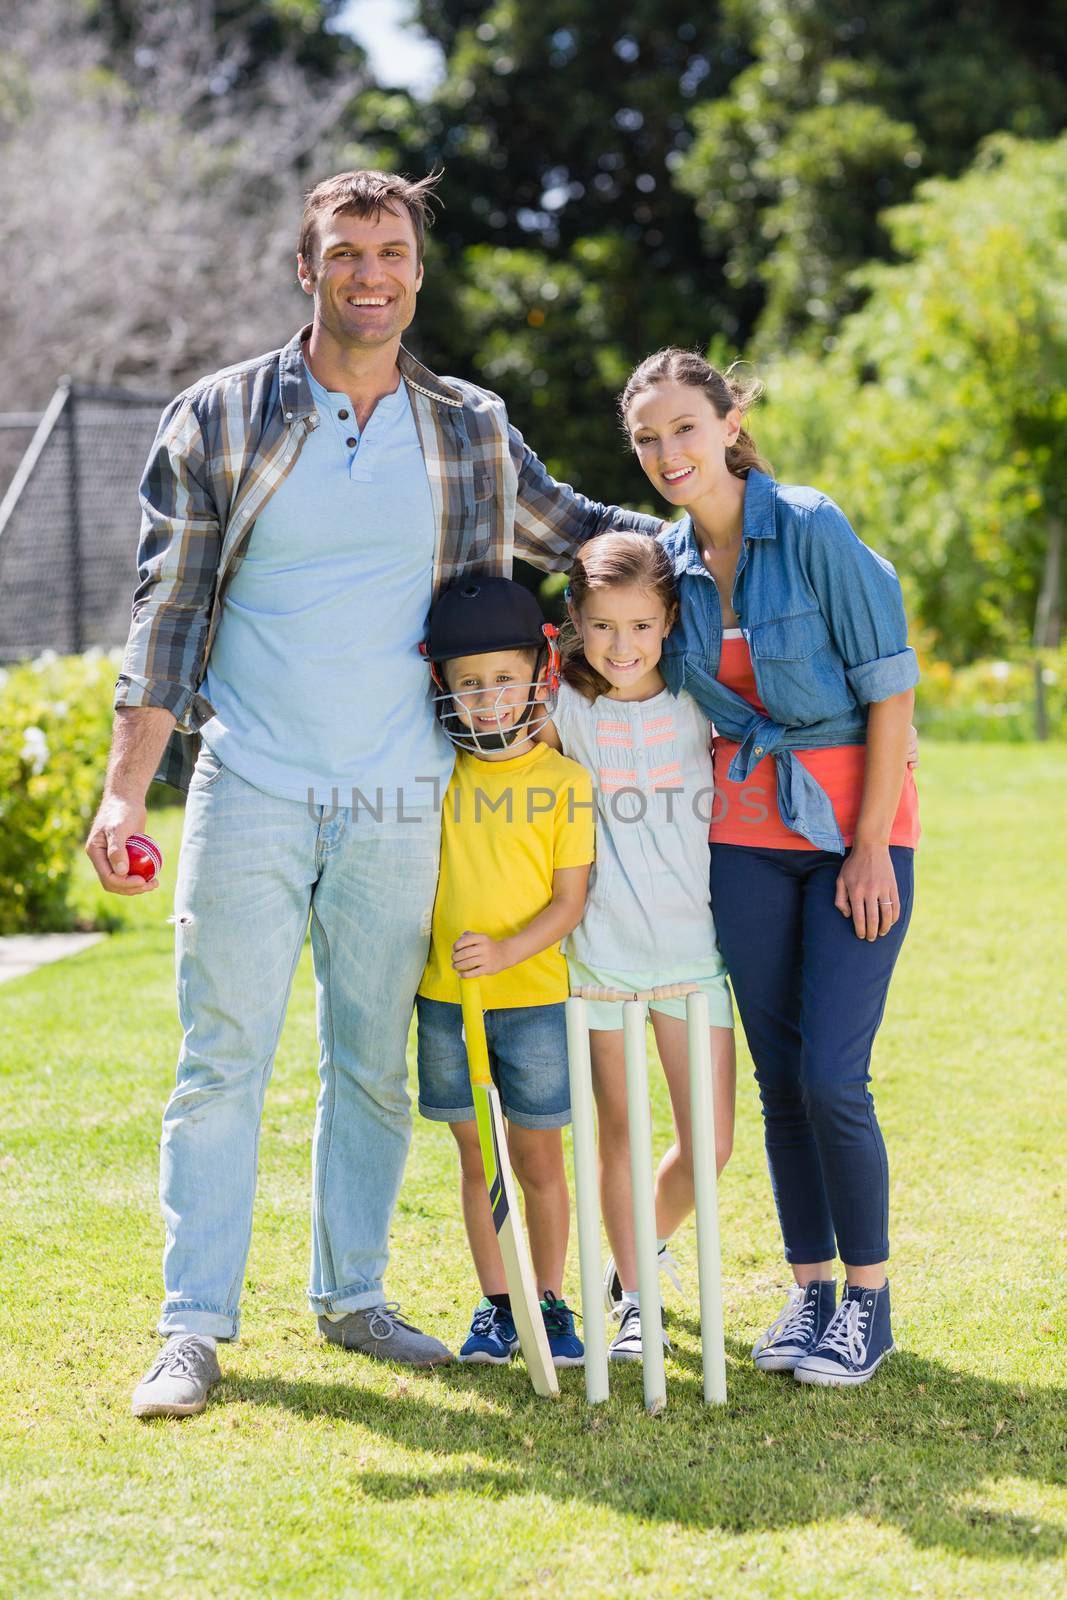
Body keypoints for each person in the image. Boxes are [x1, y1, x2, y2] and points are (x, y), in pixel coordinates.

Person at [86, 168, 661, 1420]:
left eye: (391, 251)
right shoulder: (220, 417)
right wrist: (127, 795)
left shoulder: (464, 425)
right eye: (345, 252)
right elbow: (167, 614)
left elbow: (579, 534)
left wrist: (731, 524)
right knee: (220, 1055)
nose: (370, 272)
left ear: (416, 268)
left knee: (372, 1065)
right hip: (253, 781)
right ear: (306, 269)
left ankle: (351, 1295)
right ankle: (192, 1326)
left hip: (405, 796)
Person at [620, 347, 920, 1386]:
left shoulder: (810, 524)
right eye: (647, 438)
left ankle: (869, 1302)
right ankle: (808, 1290)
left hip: (850, 834)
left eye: (683, 428)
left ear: (727, 418)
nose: (667, 452)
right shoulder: (664, 559)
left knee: (834, 1074)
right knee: (779, 1080)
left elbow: (887, 689)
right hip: (740, 841)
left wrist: (872, 839)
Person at [537, 533, 736, 1364]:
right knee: (615, 1135)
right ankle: (636, 1300)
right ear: (576, 625)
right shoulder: (566, 713)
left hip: (695, 955)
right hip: (599, 959)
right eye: (603, 627)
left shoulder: (699, 705)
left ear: (668, 623)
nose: (621, 646)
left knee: (711, 1145)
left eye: (641, 626)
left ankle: (633, 1259)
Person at [416, 576, 593, 1366]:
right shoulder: (432, 774)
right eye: (468, 684)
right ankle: (497, 1305)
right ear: (443, 688)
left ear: (537, 673)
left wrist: (507, 953)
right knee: (475, 1158)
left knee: (537, 1159)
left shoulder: (565, 783)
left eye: (502, 679)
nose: (486, 699)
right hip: (446, 1002)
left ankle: (549, 1301)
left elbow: (567, 905)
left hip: (533, 1000)